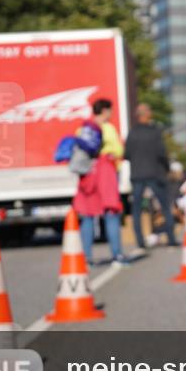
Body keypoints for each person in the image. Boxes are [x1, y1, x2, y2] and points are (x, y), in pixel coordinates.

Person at [73, 98, 127, 267]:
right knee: (111, 214)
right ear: (104, 111)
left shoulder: (82, 129)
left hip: (87, 173)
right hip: (105, 171)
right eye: (110, 111)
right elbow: (119, 150)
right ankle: (116, 255)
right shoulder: (108, 129)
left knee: (87, 216)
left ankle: (86, 258)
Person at [124, 103, 179, 252]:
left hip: (137, 175)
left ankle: (140, 242)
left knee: (137, 210)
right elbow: (162, 152)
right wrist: (167, 169)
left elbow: (126, 154)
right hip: (155, 174)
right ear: (146, 114)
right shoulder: (154, 131)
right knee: (165, 206)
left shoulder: (132, 132)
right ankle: (171, 240)